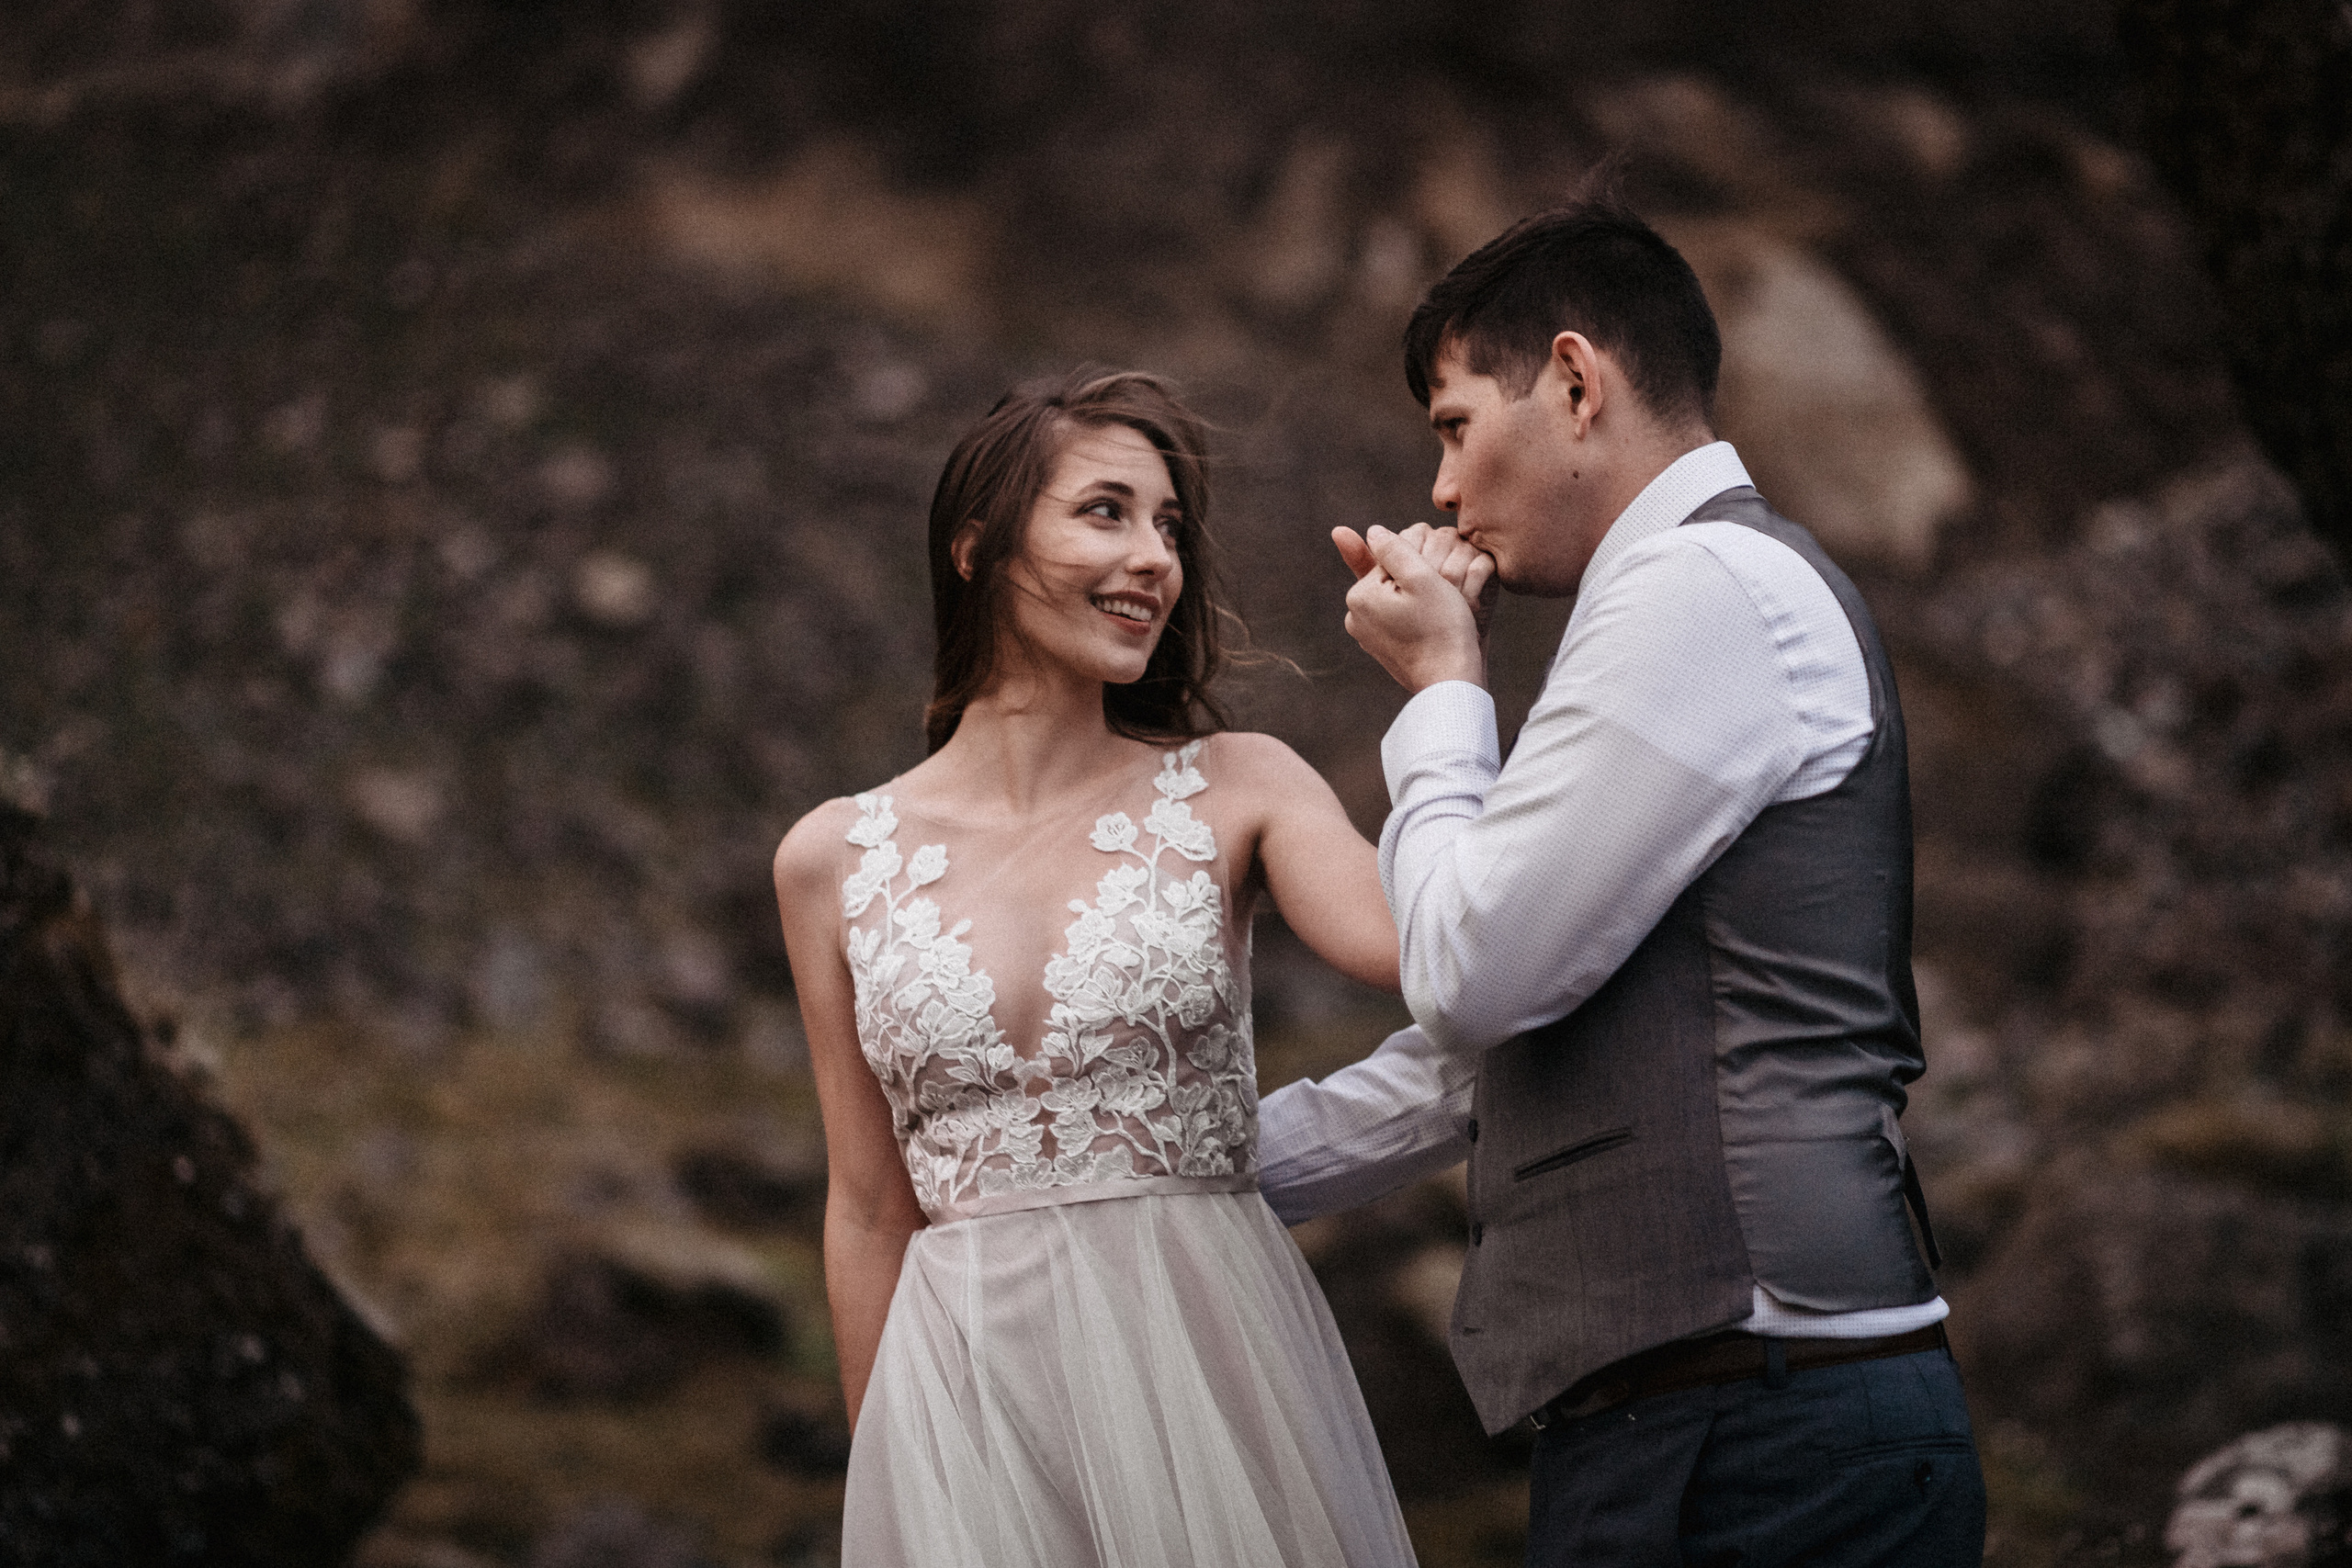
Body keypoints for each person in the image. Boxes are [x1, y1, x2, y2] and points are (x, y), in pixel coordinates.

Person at [1256, 192, 1989, 1565]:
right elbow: (1505, 1050)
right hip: (1719, 1422)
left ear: (1577, 383)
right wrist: (1196, 1165)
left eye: (1456, 426)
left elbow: (1470, 973)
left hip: (1765, 1434)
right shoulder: (1671, 609)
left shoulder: (1704, 594)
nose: (1440, 493)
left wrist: (1440, 693)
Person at [773, 369, 1420, 1567]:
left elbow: (1432, 948)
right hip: (966, 1410)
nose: (1154, 559)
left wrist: (1446, 693)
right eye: (1107, 512)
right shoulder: (830, 859)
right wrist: (893, 1482)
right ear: (978, 549)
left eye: (1170, 526)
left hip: (1210, 1384)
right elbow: (867, 1209)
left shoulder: (1243, 784)